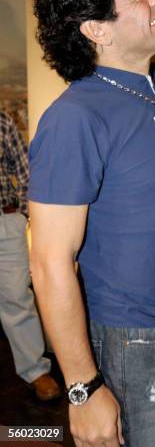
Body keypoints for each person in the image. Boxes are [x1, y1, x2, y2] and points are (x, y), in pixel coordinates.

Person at [29, 0, 155, 446]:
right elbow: (48, 263)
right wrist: (83, 389)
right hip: (135, 341)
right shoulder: (73, 118)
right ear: (96, 30)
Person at [0, 110, 61, 401]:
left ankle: (36, 371)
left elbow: (24, 170)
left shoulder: (2, 121)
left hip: (4, 221)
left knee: (17, 298)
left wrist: (20, 214)